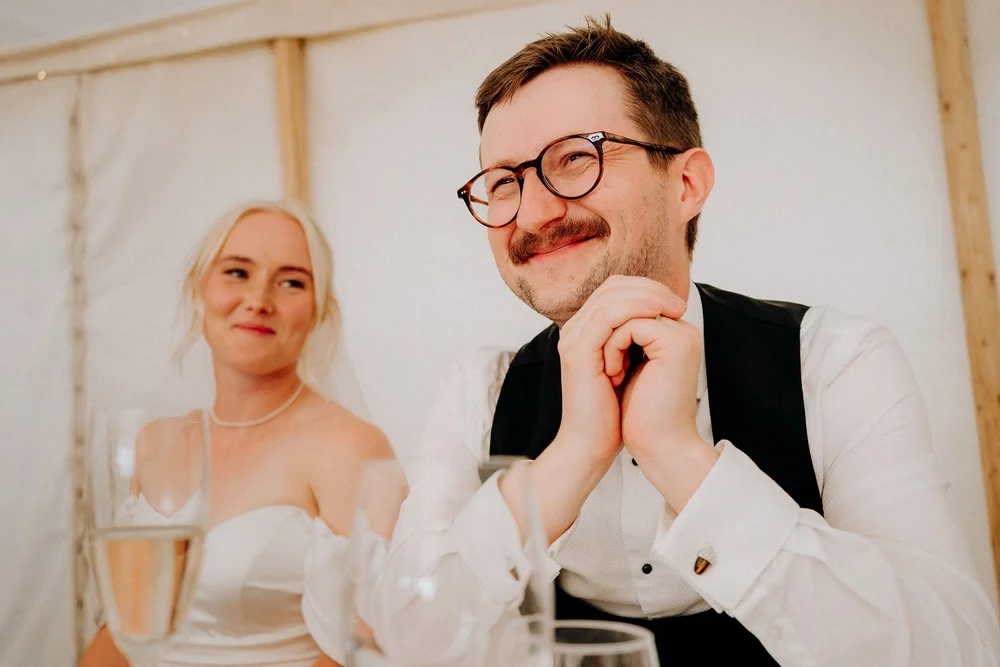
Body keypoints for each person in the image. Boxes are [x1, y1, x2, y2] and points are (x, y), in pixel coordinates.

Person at [377, 15, 1000, 666]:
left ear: (686, 184)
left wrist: (679, 456)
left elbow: (959, 651)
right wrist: (569, 458)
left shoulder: (835, 360)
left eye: (575, 159)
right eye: (504, 182)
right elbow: (411, 641)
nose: (531, 214)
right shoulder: (479, 391)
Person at [80, 199, 393, 667]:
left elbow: (368, 645)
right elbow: (123, 633)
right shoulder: (153, 442)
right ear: (198, 288)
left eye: (291, 282)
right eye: (236, 272)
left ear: (319, 311)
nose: (259, 301)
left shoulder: (351, 448)